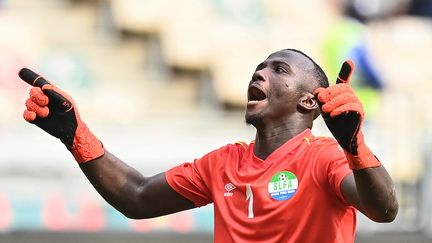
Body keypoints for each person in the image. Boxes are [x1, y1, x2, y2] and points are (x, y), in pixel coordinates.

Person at [19, 48, 398, 242]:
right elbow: (136, 197)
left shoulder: (326, 158)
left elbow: (384, 210)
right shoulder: (223, 163)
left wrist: (354, 145)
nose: (260, 72)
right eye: (259, 67)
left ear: (309, 101)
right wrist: (75, 135)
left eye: (278, 70)